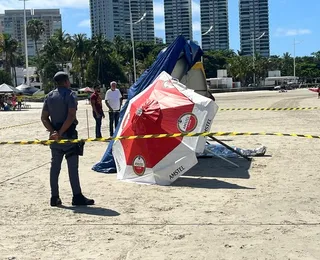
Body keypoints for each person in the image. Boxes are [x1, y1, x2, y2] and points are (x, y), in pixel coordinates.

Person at [41, 71, 94, 207]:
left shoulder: (49, 96)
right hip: (68, 136)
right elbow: (71, 116)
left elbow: (44, 117)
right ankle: (77, 196)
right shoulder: (70, 95)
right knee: (72, 168)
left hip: (55, 138)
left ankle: (54, 197)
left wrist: (54, 132)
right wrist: (61, 132)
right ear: (66, 81)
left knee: (55, 168)